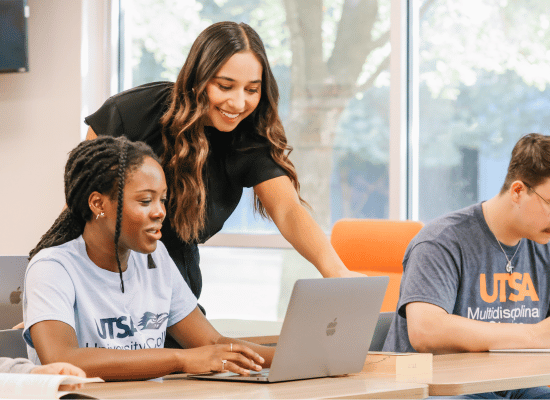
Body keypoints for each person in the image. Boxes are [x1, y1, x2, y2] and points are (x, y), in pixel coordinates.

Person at [84, 21, 361, 310]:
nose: (238, 102)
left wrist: (336, 272)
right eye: (225, 86)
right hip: (104, 281)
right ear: (197, 78)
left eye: (252, 89)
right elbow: (80, 202)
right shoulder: (131, 113)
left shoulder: (247, 139)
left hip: (174, 291)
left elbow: (288, 209)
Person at [23, 137, 273, 381]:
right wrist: (181, 359)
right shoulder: (52, 267)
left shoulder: (157, 258)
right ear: (98, 204)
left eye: (162, 199)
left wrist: (293, 357)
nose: (160, 212)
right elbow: (63, 359)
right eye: (145, 201)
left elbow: (211, 342)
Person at [383, 133, 550, 399]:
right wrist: (535, 335)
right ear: (517, 191)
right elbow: (426, 330)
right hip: (437, 387)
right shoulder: (442, 241)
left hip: (508, 385)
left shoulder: (543, 249)